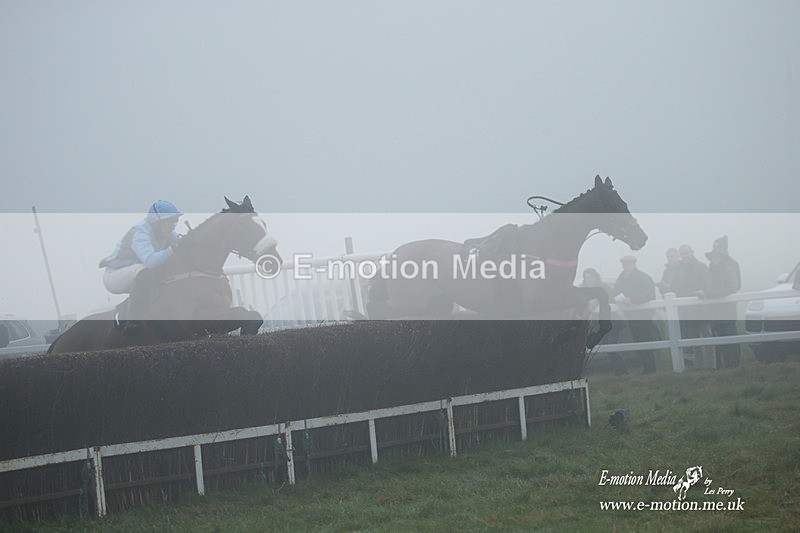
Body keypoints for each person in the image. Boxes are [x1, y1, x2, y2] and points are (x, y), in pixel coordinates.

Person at [99, 200, 183, 334]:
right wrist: (173, 249)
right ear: (157, 221)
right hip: (114, 275)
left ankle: (128, 308)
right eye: (169, 221)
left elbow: (179, 255)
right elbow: (150, 261)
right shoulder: (140, 232)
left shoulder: (169, 235)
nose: (173, 226)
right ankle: (133, 320)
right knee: (145, 271)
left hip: (135, 273)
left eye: (175, 221)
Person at [611, 255, 660, 374]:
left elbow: (648, 294)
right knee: (637, 340)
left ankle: (650, 367)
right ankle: (645, 366)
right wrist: (619, 299)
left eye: (628, 264)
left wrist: (632, 299)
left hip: (644, 315)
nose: (626, 266)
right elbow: (616, 292)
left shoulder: (643, 277)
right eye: (624, 264)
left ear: (634, 264)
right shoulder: (621, 278)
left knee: (644, 339)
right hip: (631, 315)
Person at [702, 236, 741, 369]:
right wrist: (705, 293)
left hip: (727, 311)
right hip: (714, 313)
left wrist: (714, 294)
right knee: (718, 339)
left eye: (717, 256)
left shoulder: (729, 269)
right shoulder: (709, 272)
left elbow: (733, 287)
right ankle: (720, 365)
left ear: (722, 257)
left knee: (730, 338)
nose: (715, 258)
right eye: (713, 256)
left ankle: (733, 364)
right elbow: (706, 286)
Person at [673, 244, 713, 369]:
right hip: (687, 310)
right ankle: (699, 365)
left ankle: (711, 365)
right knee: (694, 339)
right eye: (682, 254)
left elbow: (707, 285)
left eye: (686, 253)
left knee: (707, 338)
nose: (684, 256)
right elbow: (678, 287)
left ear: (692, 252)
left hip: (701, 310)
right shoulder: (680, 270)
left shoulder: (701, 267)